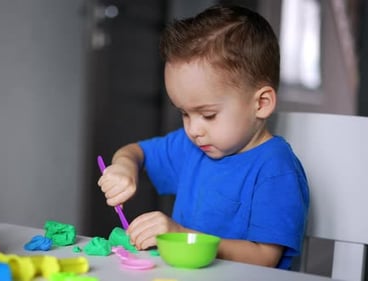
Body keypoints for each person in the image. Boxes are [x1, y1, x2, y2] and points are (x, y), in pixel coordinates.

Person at [97, 4, 309, 269]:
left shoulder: (276, 170)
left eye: (208, 115)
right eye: (184, 113)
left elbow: (264, 258)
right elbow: (135, 152)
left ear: (262, 103)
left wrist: (181, 236)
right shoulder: (193, 147)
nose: (193, 129)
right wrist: (124, 168)